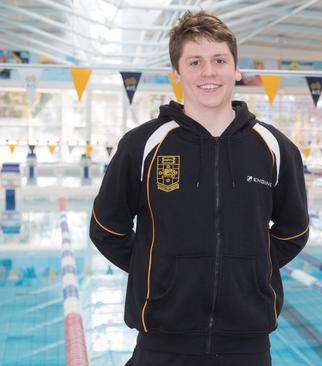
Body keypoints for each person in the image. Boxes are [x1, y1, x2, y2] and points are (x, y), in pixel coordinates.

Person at [89, 10, 309, 366]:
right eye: (195, 62)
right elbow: (106, 228)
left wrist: (251, 270)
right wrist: (160, 271)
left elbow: (294, 230)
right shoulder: (142, 144)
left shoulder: (274, 147)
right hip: (161, 343)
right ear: (176, 74)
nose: (208, 72)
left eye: (219, 60)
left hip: (247, 344)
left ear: (236, 68)